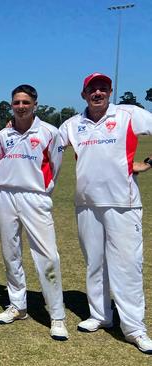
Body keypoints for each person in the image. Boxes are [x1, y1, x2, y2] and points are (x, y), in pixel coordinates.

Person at [58, 72, 152, 354]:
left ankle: (135, 328)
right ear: (83, 94)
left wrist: (146, 162)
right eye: (92, 89)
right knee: (95, 263)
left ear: (110, 92)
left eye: (103, 88)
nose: (98, 93)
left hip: (123, 203)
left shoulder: (129, 114)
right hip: (87, 203)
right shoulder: (73, 124)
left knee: (127, 266)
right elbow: (50, 142)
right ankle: (100, 315)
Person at [0, 84, 68, 341]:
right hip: (5, 195)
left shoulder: (50, 132)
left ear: (35, 104)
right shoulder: (3, 134)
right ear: (11, 105)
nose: (21, 106)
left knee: (48, 256)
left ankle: (57, 315)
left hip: (35, 196)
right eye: (17, 102)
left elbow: (55, 167)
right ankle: (18, 305)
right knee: (10, 252)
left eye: (26, 102)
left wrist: (42, 190)